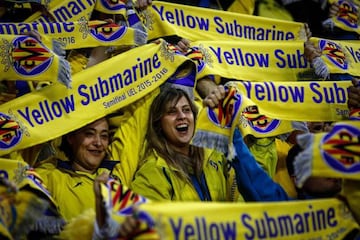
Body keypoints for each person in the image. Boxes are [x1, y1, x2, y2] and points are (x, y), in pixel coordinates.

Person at [35, 117, 141, 239]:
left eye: (104, 136)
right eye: (89, 134)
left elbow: (136, 121)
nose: (98, 143)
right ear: (71, 137)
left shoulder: (117, 170)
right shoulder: (51, 178)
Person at [130, 87, 232, 201]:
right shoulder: (152, 172)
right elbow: (147, 216)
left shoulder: (214, 154)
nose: (182, 116)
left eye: (186, 110)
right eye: (172, 112)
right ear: (158, 124)